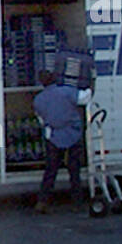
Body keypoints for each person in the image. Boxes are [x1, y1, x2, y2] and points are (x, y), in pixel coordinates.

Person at [32, 69, 91, 213]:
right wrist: (90, 85)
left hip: (53, 136)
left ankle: (42, 202)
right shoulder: (67, 91)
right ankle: (77, 203)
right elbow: (85, 98)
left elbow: (41, 120)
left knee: (51, 170)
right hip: (73, 134)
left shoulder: (38, 100)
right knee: (74, 170)